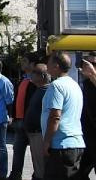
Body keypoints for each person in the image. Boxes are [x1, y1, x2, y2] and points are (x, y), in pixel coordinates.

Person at [42, 51, 85, 180]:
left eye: (48, 62)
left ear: (56, 66)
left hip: (61, 144)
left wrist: (47, 142)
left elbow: (55, 116)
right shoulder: (74, 85)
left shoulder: (56, 86)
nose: (46, 65)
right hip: (75, 143)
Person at [9, 54, 38, 180]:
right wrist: (14, 116)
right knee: (17, 151)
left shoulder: (37, 82)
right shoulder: (23, 79)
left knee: (35, 153)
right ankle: (15, 175)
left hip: (30, 123)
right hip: (19, 122)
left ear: (32, 64)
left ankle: (37, 175)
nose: (22, 63)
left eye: (25, 61)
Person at [24, 63, 50, 180]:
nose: (31, 74)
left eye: (34, 72)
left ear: (43, 76)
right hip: (33, 133)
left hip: (39, 133)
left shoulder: (47, 91)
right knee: (37, 165)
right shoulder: (38, 89)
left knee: (41, 166)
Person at [78, 53, 96, 180]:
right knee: (79, 174)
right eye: (88, 64)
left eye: (94, 64)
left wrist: (93, 74)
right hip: (87, 137)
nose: (90, 67)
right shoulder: (86, 84)